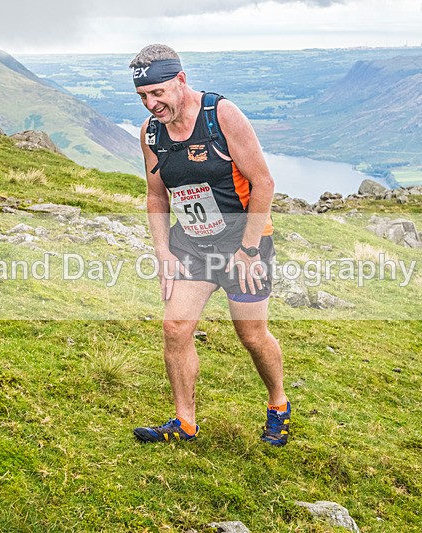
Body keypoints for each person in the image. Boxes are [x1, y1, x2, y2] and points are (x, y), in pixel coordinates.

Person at [129, 44, 290, 446]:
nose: (152, 104)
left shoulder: (220, 115)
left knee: (252, 336)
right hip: (194, 246)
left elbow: (264, 183)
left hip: (243, 243)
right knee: (175, 328)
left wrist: (249, 250)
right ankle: (185, 422)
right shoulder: (151, 133)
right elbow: (156, 195)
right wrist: (163, 252)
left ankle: (278, 404)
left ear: (180, 81)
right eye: (143, 97)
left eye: (158, 93)